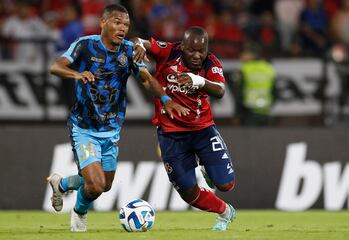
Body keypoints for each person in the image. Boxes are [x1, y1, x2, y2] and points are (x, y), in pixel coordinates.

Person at [47, 4, 189, 232]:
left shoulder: (129, 52)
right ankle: (79, 215)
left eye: (125, 25)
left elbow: (145, 78)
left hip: (111, 128)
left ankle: (61, 184)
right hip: (84, 127)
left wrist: (166, 100)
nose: (122, 28)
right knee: (94, 185)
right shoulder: (86, 45)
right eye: (117, 22)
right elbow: (56, 66)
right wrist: (77, 73)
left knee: (105, 185)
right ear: (103, 22)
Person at [132, 26, 236, 231]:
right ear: (182, 46)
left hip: (203, 131)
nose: (197, 56)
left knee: (226, 185)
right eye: (191, 50)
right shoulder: (169, 51)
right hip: (171, 135)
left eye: (201, 51)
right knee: (188, 193)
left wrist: (198, 81)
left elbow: (221, 90)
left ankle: (206, 166)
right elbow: (140, 40)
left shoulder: (211, 63)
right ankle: (225, 212)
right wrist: (137, 44)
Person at [234, 43, 276, 126]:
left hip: (249, 112)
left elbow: (239, 93)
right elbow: (275, 92)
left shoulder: (245, 69)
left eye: (244, 53)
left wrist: (237, 114)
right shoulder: (269, 68)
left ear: (252, 55)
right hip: (266, 111)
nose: (241, 55)